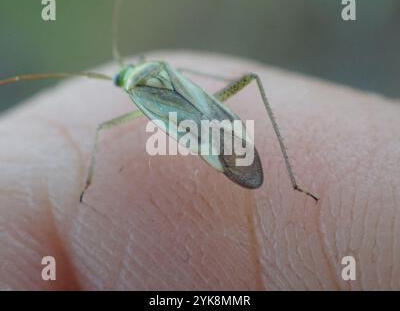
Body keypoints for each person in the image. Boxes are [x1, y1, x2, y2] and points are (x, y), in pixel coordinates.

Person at [0, 52, 398, 290]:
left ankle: (284, 178)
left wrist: (90, 181)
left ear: (126, 82)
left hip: (203, 137)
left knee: (107, 128)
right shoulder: (161, 70)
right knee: (249, 83)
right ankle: (294, 183)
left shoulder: (137, 93)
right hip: (214, 119)